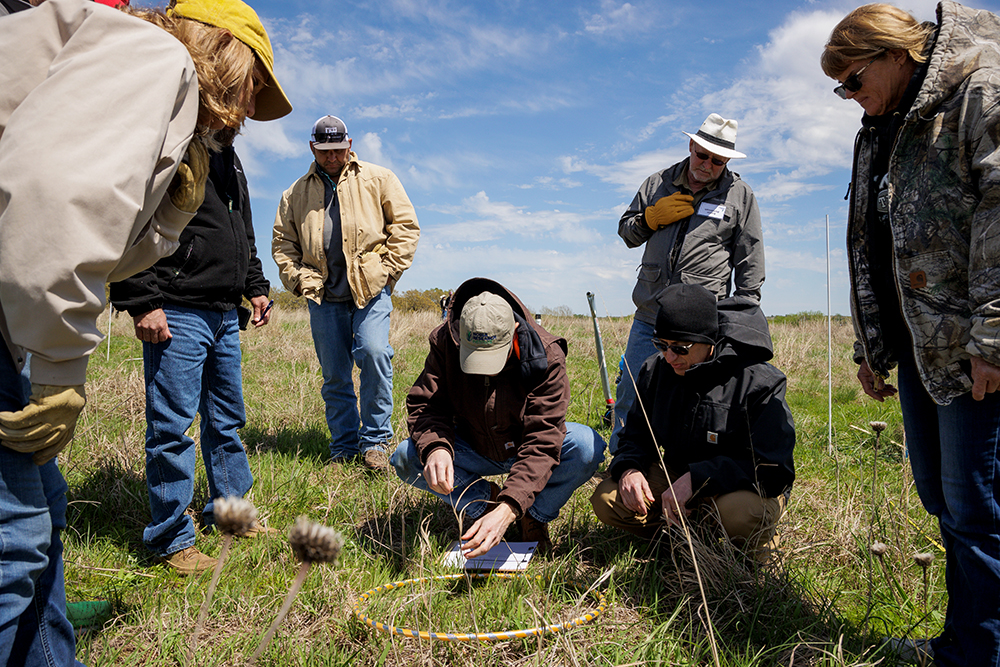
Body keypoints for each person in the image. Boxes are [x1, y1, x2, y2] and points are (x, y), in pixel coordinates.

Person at [0, 0, 289, 662]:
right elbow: (56, 197)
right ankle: (170, 533)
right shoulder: (154, 60)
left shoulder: (179, 113)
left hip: (40, 312)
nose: (249, 108)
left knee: (38, 517)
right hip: (73, 310)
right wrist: (59, 365)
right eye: (253, 86)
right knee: (13, 536)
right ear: (224, 50)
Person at [822, 3, 1000, 664]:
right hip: (918, 349)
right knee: (942, 501)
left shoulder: (977, 89)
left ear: (894, 53)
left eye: (853, 79)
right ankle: (961, 640)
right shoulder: (879, 124)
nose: (848, 96)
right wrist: (874, 345)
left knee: (977, 511)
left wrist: (993, 341)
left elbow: (999, 218)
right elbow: (872, 240)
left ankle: (978, 655)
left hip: (969, 349)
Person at [110, 121, 287, 571]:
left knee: (226, 419)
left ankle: (230, 515)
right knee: (171, 428)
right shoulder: (169, 142)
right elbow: (131, 217)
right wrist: (142, 299)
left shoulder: (229, 157)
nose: (242, 117)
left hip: (225, 311)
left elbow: (240, 230)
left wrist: (256, 286)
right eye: (237, 102)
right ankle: (172, 538)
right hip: (176, 307)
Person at [390, 277, 606, 557]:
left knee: (587, 446)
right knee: (407, 456)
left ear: (514, 331)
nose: (484, 371)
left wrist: (511, 507)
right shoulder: (445, 342)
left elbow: (543, 441)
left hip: (524, 445)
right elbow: (427, 405)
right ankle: (484, 503)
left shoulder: (547, 355)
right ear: (460, 333)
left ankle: (532, 516)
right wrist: (436, 448)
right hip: (472, 445)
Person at [592, 284, 794, 558]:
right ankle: (688, 538)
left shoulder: (759, 382)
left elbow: (774, 470)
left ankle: (751, 545)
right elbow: (636, 436)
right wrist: (629, 468)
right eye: (661, 345)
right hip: (677, 480)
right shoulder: (655, 370)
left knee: (740, 514)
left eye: (680, 348)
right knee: (608, 498)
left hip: (741, 488)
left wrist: (699, 478)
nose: (669, 356)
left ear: (709, 340)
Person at [610, 113, 765, 454]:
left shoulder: (740, 195)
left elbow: (749, 257)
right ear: (691, 145)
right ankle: (622, 462)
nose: (708, 164)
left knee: (694, 397)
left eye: (718, 160)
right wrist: (650, 219)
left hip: (700, 324)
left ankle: (686, 464)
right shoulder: (657, 183)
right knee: (633, 391)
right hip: (651, 314)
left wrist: (743, 312)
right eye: (703, 155)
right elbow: (626, 231)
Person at [272, 115, 419, 472]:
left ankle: (376, 444)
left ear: (350, 145)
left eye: (338, 150)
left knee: (373, 353)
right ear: (313, 148)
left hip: (369, 292)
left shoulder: (379, 178)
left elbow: (406, 227)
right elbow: (282, 244)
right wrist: (299, 280)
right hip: (323, 296)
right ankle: (343, 446)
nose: (332, 157)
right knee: (336, 374)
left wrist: (386, 272)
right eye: (325, 152)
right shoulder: (294, 193)